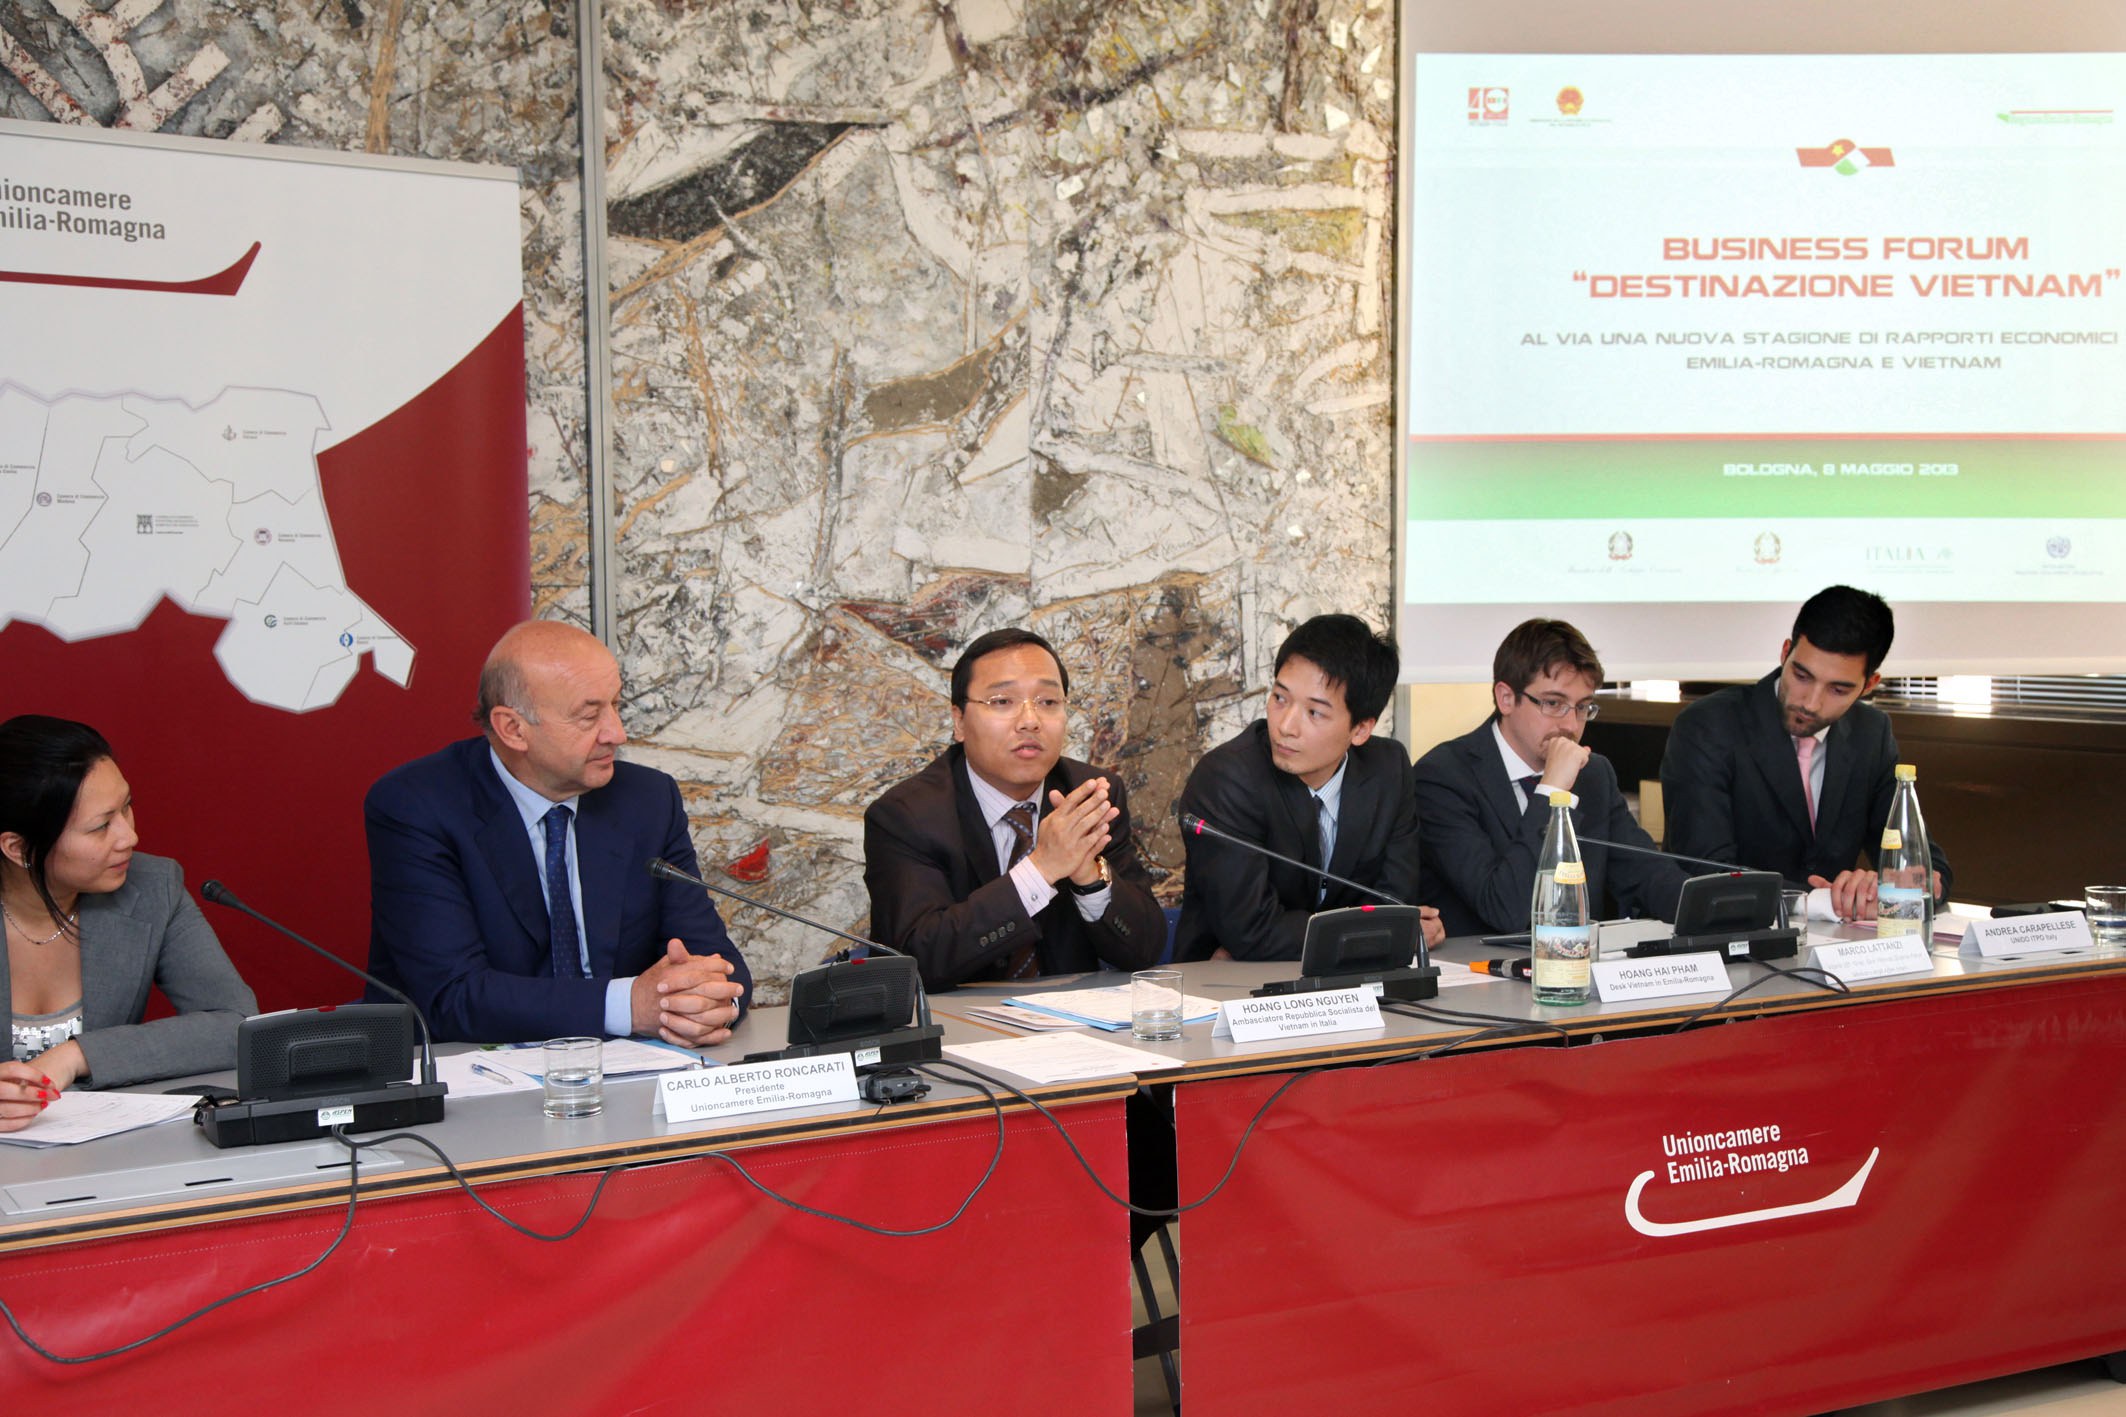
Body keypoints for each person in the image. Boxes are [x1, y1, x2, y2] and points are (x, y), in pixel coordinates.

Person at [364, 620, 751, 1044]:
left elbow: (715, 960)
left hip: (628, 1068)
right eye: (589, 715)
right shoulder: (418, 806)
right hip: (471, 1069)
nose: (617, 733)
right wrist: (629, 1006)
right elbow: (452, 995)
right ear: (513, 728)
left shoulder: (648, 800)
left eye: (616, 704)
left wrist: (711, 1004)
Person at [865, 628, 1166, 991]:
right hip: (954, 1020)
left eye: (1048, 701)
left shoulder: (1088, 796)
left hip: (1070, 1017)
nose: (1030, 720)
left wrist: (1088, 873)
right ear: (959, 721)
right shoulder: (906, 815)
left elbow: (1144, 950)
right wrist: (1041, 869)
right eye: (1002, 701)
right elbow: (916, 960)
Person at [0, 715, 256, 1132]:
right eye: (101, 826)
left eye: (127, 807)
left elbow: (236, 1024)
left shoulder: (153, 886)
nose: (129, 837)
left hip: (102, 1153)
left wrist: (76, 1056)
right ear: (18, 848)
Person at [1660, 585, 1951, 922]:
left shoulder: (1871, 734)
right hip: (1729, 936)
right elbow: (1706, 871)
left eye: (1837, 689)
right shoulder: (1708, 726)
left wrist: (1886, 886)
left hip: (1836, 941)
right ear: (1785, 652)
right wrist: (1822, 901)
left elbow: (1928, 865)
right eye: (1802, 676)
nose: (1810, 703)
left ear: (1869, 684)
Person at [1175, 614, 1439, 961]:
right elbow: (1251, 931)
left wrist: (1382, 930)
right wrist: (1377, 935)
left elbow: (1394, 902)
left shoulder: (1389, 770)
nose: (1286, 726)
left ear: (1361, 729)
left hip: (1352, 980)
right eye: (1280, 698)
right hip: (1226, 982)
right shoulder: (1226, 779)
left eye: (1314, 713)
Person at [1413, 619, 1688, 937]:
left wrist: (1714, 910)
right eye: (1554, 703)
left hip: (1577, 960)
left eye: (1582, 707)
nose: (1571, 725)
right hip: (1477, 964)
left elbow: (1650, 877)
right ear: (1506, 698)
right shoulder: (1443, 778)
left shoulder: (1593, 774)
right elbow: (1504, 908)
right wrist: (1551, 789)